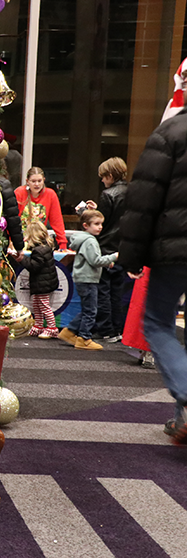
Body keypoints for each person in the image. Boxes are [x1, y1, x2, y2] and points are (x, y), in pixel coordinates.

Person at [119, 107, 187, 443]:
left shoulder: (171, 133)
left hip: (175, 252)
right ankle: (181, 417)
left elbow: (144, 199)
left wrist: (131, 255)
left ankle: (186, 397)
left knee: (158, 323)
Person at [57, 210, 117, 351]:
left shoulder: (83, 240)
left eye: (101, 224)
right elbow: (95, 260)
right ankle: (84, 338)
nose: (100, 227)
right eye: (96, 224)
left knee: (87, 309)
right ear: (85, 225)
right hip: (88, 279)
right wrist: (113, 257)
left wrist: (106, 262)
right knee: (91, 311)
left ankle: (69, 331)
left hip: (82, 278)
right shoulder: (90, 241)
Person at [83, 157, 129, 342]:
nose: (102, 180)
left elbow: (103, 222)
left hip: (106, 247)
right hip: (123, 247)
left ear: (110, 175)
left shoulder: (108, 194)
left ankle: (105, 328)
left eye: (103, 177)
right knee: (117, 292)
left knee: (103, 291)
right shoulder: (133, 191)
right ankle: (118, 328)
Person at [15, 167, 67, 250]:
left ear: (44, 180)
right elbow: (13, 219)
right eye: (33, 181)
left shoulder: (50, 195)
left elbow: (57, 221)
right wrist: (11, 240)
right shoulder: (19, 193)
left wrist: (62, 243)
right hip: (20, 240)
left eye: (39, 181)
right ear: (27, 181)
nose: (37, 184)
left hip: (40, 241)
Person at [23, 220, 59, 338]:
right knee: (37, 304)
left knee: (43, 305)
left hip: (42, 283)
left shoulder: (38, 251)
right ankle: (39, 325)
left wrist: (21, 259)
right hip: (43, 282)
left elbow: (34, 266)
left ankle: (52, 327)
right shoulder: (45, 247)